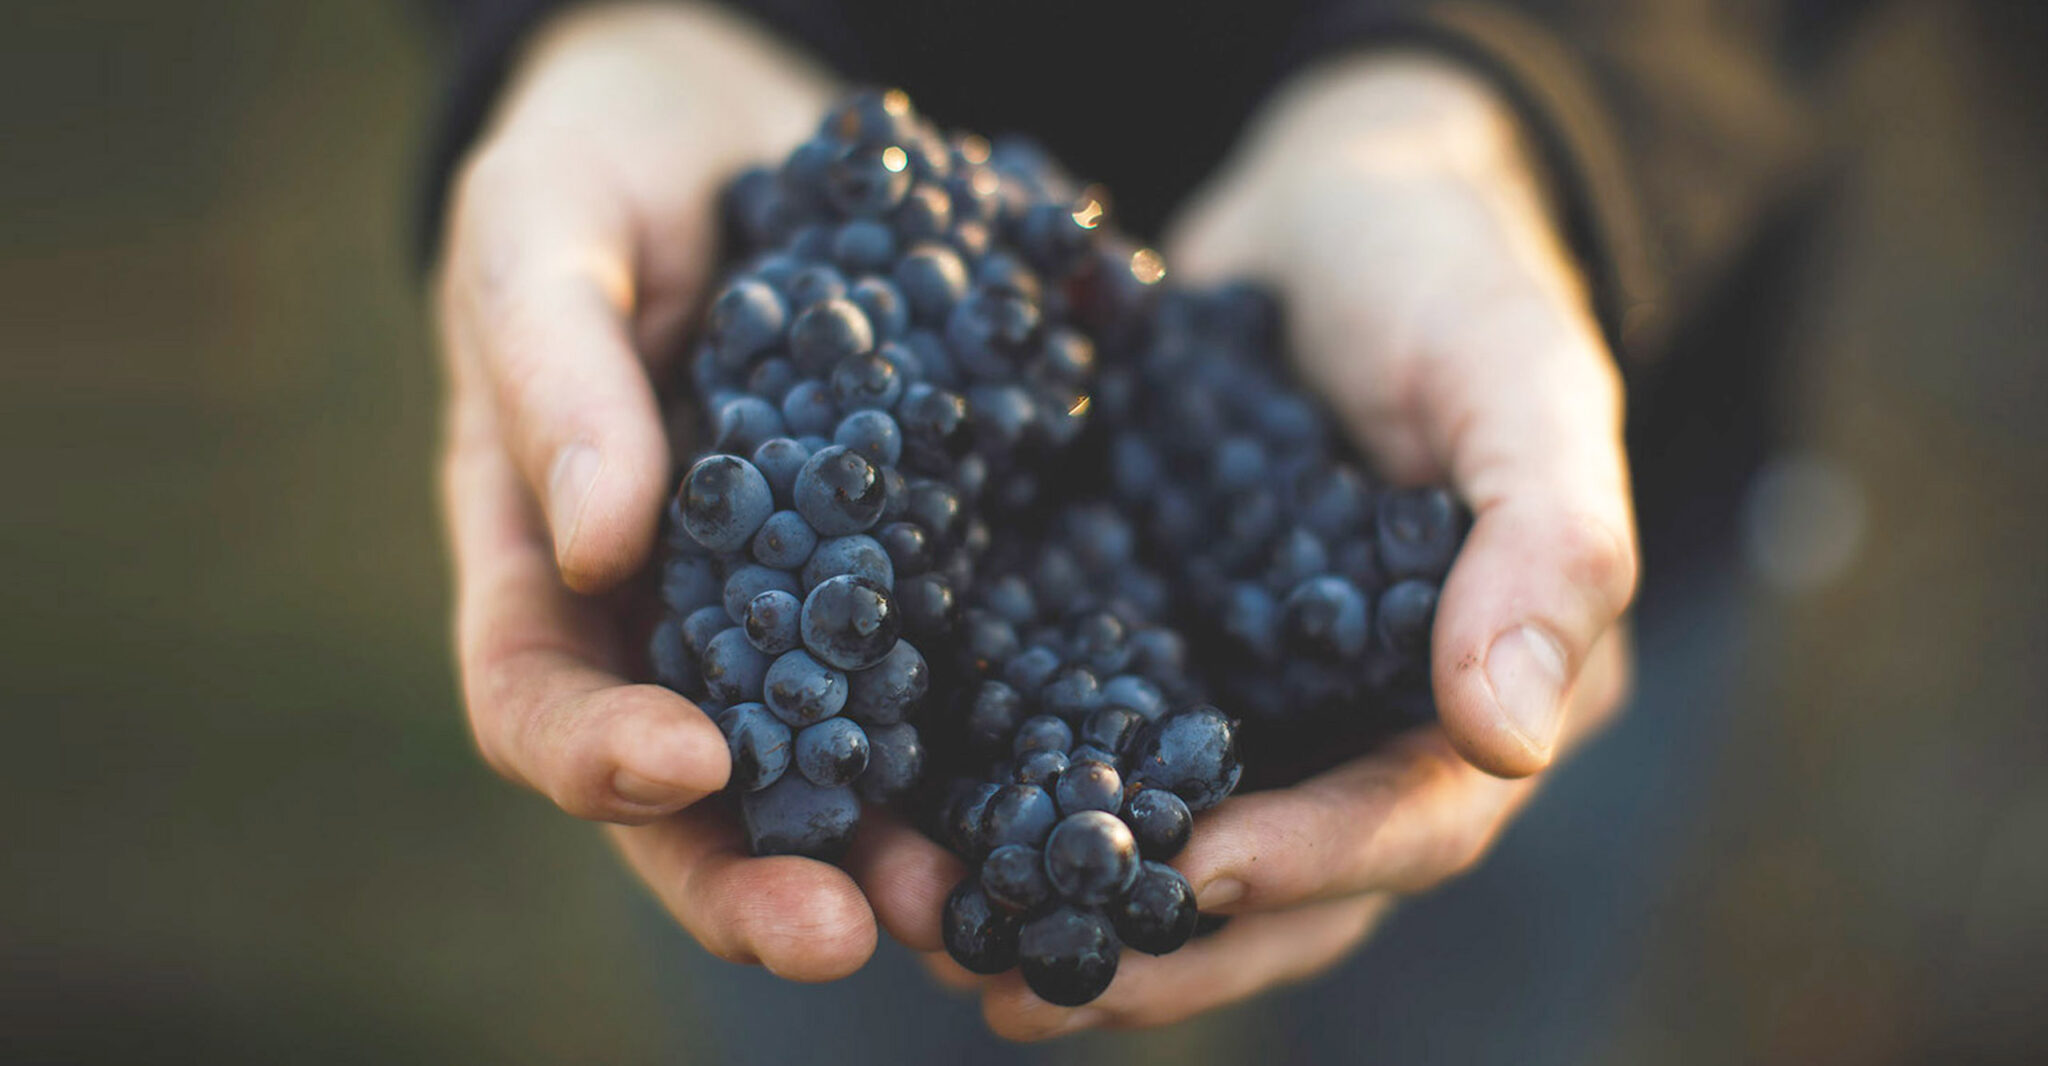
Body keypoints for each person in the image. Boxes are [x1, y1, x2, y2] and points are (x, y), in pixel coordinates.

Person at [423, 0, 1865, 1041]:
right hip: (904, 724)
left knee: (1472, 979)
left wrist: (1521, 101)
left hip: (1546, 413)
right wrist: (606, 27)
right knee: (819, 933)